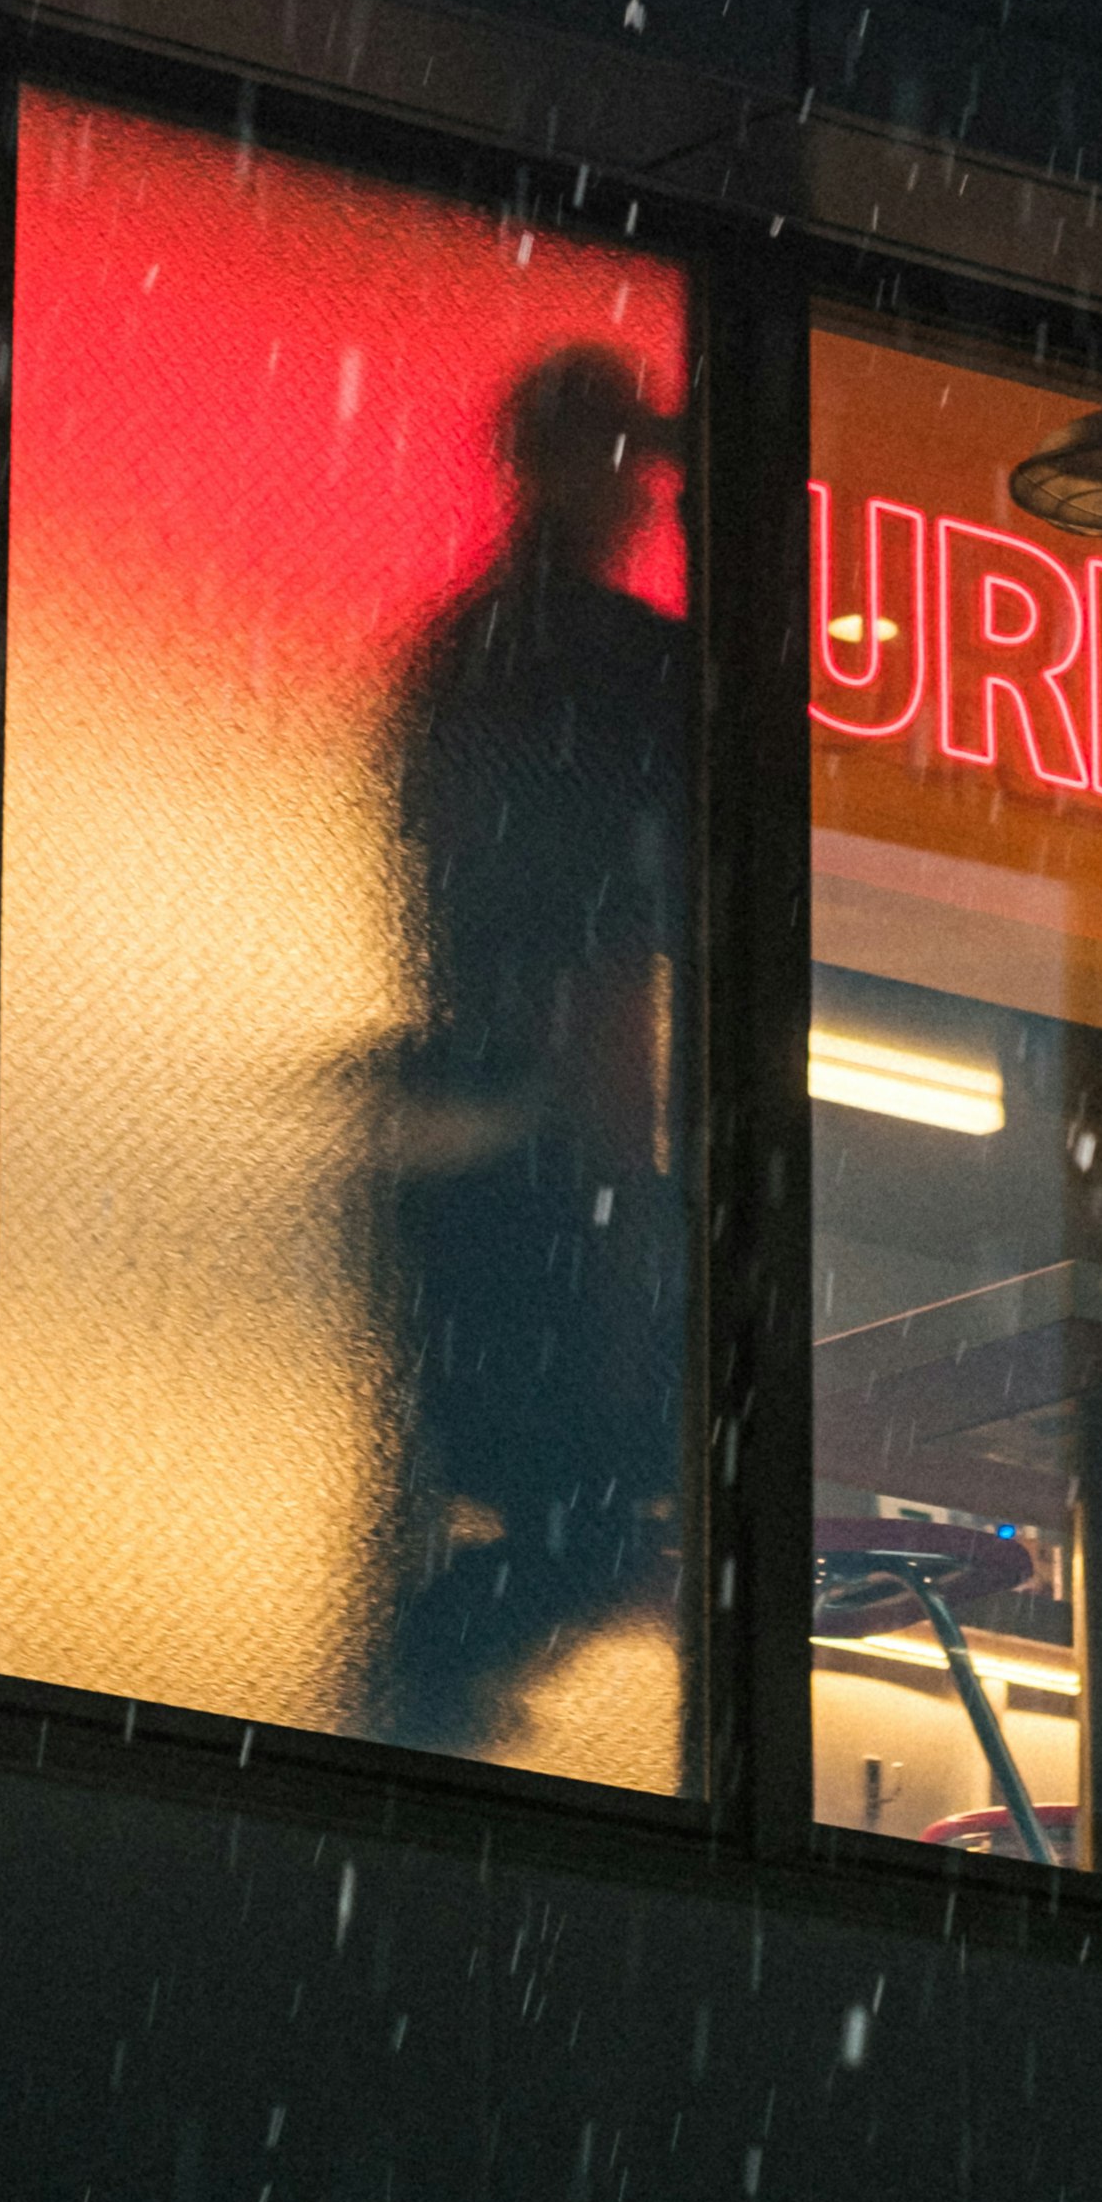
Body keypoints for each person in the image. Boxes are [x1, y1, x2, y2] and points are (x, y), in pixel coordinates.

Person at [372, 339, 691, 1755]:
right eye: (636, 461)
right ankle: (430, 1719)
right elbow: (602, 959)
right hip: (544, 1131)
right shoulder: (615, 666)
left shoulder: (466, 652)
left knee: (514, 1482)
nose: (646, 493)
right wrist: (624, 1194)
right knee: (599, 1500)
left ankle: (419, 1721)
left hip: (458, 1122)